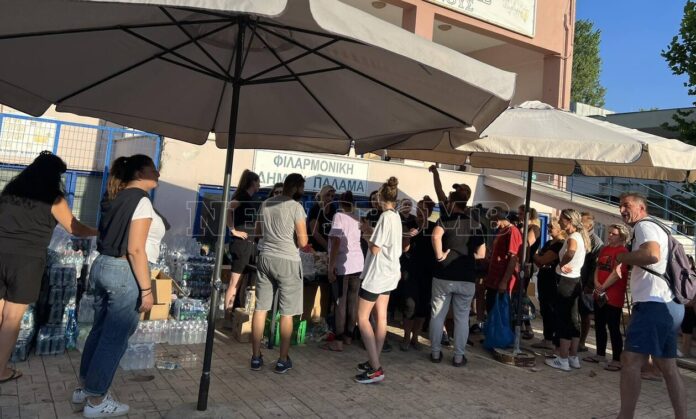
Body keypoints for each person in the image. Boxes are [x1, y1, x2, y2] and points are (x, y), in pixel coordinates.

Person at [76, 154, 164, 417]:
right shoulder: (141, 200)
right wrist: (147, 290)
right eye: (153, 169)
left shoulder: (115, 196)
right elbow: (135, 249)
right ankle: (96, 400)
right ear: (140, 173)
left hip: (103, 265)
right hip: (124, 272)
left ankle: (85, 388)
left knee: (100, 331)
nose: (158, 173)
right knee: (114, 338)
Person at [0, 152, 97, 384]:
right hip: (26, 262)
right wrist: (98, 231)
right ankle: (0, 370)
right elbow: (74, 228)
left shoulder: (10, 192)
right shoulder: (53, 198)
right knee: (12, 319)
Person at [616, 193, 686, 419]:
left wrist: (622, 258)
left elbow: (652, 255)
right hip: (668, 303)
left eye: (626, 205)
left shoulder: (644, 226)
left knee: (630, 361)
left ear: (641, 207)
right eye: (620, 206)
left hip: (653, 304)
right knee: (668, 367)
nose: (622, 210)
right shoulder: (657, 227)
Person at [249, 174, 308, 374]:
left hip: (265, 258)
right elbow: (303, 242)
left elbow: (257, 233)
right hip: (287, 261)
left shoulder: (266, 203)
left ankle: (255, 357)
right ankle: (282, 360)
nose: (303, 191)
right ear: (297, 187)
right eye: (302, 188)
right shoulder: (296, 207)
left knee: (260, 308)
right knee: (287, 312)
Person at [354, 177, 403, 384]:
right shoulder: (396, 216)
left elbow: (375, 249)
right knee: (381, 317)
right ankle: (374, 360)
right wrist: (370, 232)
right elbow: (386, 241)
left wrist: (365, 235)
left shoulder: (385, 217)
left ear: (381, 198)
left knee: (362, 317)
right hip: (390, 272)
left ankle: (375, 368)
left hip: (378, 274)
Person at [429, 188, 485, 366]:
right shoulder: (476, 225)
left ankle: (435, 353)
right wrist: (465, 256)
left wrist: (440, 256)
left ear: (453, 203)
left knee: (438, 315)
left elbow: (435, 236)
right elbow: (482, 253)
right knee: (462, 319)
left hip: (444, 274)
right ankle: (459, 357)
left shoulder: (444, 220)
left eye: (448, 202)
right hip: (466, 276)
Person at [545, 209, 590, 372]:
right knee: (573, 319)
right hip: (575, 280)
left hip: (566, 281)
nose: (559, 222)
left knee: (563, 319)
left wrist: (561, 264)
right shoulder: (580, 236)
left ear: (569, 220)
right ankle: (572, 357)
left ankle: (563, 359)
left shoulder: (573, 237)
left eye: (562, 219)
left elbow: (570, 252)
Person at [583, 223, 629, 372]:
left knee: (613, 327)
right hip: (600, 293)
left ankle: (616, 359)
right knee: (599, 324)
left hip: (613, 295)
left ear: (621, 236)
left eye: (613, 234)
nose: (609, 236)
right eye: (609, 233)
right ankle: (600, 354)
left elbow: (617, 273)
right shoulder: (605, 249)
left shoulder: (623, 251)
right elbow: (598, 267)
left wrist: (603, 286)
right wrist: (597, 283)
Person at [323, 191, 363, 352]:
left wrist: (331, 266)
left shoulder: (338, 216)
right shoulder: (357, 218)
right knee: (353, 301)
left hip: (343, 263)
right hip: (358, 263)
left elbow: (336, 240)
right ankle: (348, 336)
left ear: (340, 203)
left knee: (340, 301)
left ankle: (338, 340)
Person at [400, 196, 436, 351]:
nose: (420, 212)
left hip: (428, 273)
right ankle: (406, 337)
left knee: (423, 307)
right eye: (419, 208)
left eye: (424, 209)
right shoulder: (409, 224)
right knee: (410, 305)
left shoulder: (434, 228)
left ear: (429, 212)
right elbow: (403, 249)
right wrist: (408, 237)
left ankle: (415, 337)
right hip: (411, 271)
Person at [224, 170, 260, 311]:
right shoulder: (242, 196)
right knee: (235, 282)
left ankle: (233, 313)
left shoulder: (249, 198)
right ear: (252, 182)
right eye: (258, 182)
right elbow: (228, 209)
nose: (259, 185)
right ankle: (227, 313)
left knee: (241, 283)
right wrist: (233, 230)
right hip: (241, 244)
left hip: (248, 244)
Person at [531, 217, 566, 351]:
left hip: (552, 280)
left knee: (551, 309)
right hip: (543, 277)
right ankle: (547, 338)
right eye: (548, 226)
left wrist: (535, 254)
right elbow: (540, 260)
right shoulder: (549, 243)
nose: (549, 229)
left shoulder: (560, 244)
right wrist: (539, 258)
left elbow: (541, 260)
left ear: (560, 229)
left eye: (552, 226)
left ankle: (551, 340)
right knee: (544, 309)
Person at [483, 207, 523, 314]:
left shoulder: (512, 231)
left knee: (500, 313)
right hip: (494, 280)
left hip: (502, 282)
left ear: (496, 219)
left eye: (491, 220)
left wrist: (504, 282)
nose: (490, 223)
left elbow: (513, 258)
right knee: (491, 310)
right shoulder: (501, 231)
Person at [578, 212, 604, 353]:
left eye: (581, 223)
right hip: (575, 280)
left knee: (585, 313)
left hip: (585, 283)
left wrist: (589, 285)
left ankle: (581, 342)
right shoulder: (578, 236)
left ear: (588, 226)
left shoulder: (596, 242)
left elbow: (595, 266)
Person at [517, 205, 541, 340]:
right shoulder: (525, 227)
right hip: (522, 264)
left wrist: (520, 232)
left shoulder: (534, 228)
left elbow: (526, 244)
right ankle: (521, 324)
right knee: (519, 295)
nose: (519, 217)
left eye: (521, 214)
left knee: (523, 295)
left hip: (526, 265)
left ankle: (528, 326)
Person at [307, 185, 336, 252]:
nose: (330, 198)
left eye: (332, 196)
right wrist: (328, 248)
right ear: (322, 195)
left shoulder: (333, 208)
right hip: (314, 248)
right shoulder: (315, 209)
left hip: (327, 247)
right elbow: (315, 232)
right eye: (327, 195)